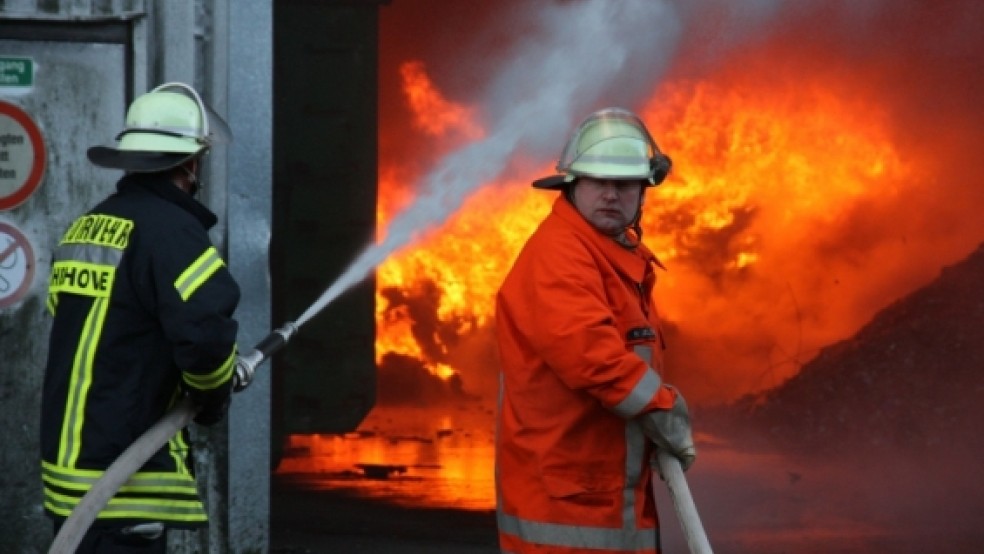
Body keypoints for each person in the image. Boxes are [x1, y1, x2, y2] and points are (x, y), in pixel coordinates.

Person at [40, 82, 241, 553]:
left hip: (70, 475)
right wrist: (213, 396)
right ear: (190, 164)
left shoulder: (86, 226)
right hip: (124, 478)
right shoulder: (173, 234)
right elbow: (207, 336)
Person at [495, 107, 696, 553]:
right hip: (568, 511)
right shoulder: (560, 257)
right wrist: (664, 410)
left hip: (597, 497)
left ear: (644, 190)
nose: (610, 194)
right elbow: (592, 357)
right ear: (572, 185)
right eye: (597, 182)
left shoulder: (610, 253)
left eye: (623, 184)